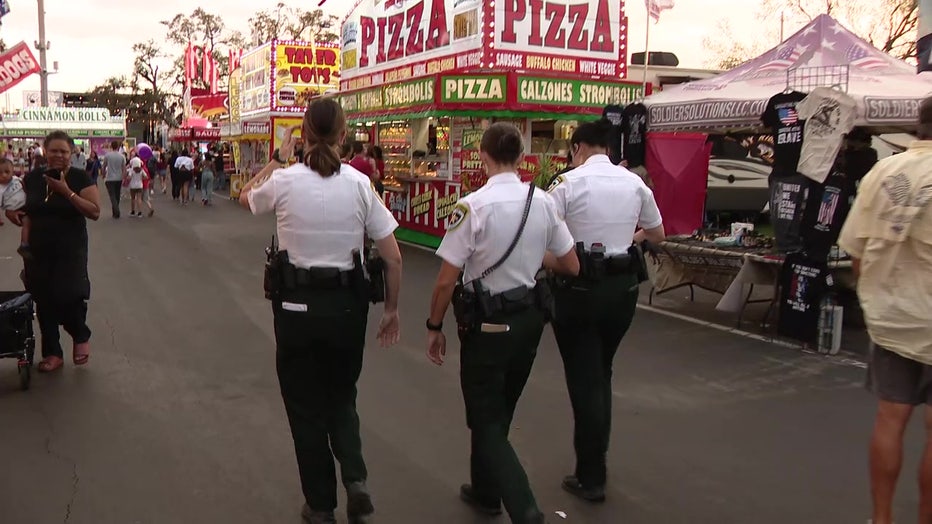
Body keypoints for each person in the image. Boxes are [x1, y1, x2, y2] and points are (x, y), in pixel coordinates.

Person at [238, 98, 403, 524]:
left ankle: (321, 505)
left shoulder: (286, 180)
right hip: (347, 308)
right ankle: (356, 478)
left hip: (295, 309)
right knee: (341, 396)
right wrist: (392, 310)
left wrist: (275, 160)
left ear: (305, 135)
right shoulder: (360, 185)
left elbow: (246, 197)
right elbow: (393, 256)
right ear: (344, 135)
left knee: (305, 406)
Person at [426, 122, 579, 524]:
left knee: (485, 415)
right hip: (529, 320)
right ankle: (485, 490)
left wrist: (434, 326)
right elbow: (570, 263)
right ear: (523, 155)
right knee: (499, 410)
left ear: (484, 155)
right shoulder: (543, 202)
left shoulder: (473, 206)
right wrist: (529, 260)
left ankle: (523, 507)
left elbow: (446, 280)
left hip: (488, 325)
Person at [546, 119, 666, 503]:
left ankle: (591, 475)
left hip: (579, 288)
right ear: (610, 148)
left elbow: (542, 230)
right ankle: (596, 459)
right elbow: (657, 234)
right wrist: (624, 239)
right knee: (602, 370)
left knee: (584, 377)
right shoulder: (634, 183)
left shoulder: (568, 183)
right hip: (623, 288)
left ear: (578, 147)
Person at [838, 96, 932, 524]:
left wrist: (873, 294)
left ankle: (882, 518)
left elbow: (857, 251)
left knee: (890, 419)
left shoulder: (884, 171)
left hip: (893, 316)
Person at [6, 131, 101, 373]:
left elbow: (94, 211)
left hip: (70, 249)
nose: (58, 155)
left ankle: (80, 333)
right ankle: (53, 353)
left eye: (64, 151)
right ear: (45, 151)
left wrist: (66, 191)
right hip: (37, 249)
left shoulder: (81, 178)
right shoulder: (33, 178)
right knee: (43, 300)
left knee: (67, 295)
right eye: (54, 150)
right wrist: (13, 214)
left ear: (71, 153)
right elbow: (19, 206)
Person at [0, 159, 30, 258]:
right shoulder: (1, 189)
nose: (4, 175)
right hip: (15, 209)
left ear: (13, 170)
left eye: (7, 172)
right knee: (27, 221)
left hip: (26, 204)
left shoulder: (17, 179)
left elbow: (25, 187)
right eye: (0, 173)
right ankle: (24, 244)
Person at [103, 140, 126, 219]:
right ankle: (115, 212)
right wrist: (123, 177)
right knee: (117, 195)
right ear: (118, 146)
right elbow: (124, 168)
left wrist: (103, 175)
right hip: (118, 178)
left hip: (109, 178)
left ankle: (116, 211)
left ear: (111, 146)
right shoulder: (122, 156)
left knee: (112, 196)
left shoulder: (107, 155)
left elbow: (104, 166)